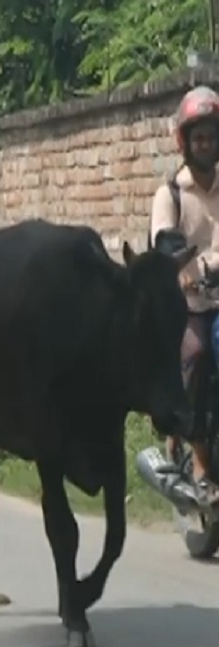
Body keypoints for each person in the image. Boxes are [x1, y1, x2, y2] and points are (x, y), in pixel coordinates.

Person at [149, 85, 219, 502]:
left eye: (211, 135)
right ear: (185, 142)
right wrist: (184, 272)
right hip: (191, 306)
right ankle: (196, 456)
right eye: (199, 137)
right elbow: (165, 241)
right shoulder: (171, 194)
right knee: (192, 356)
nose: (206, 144)